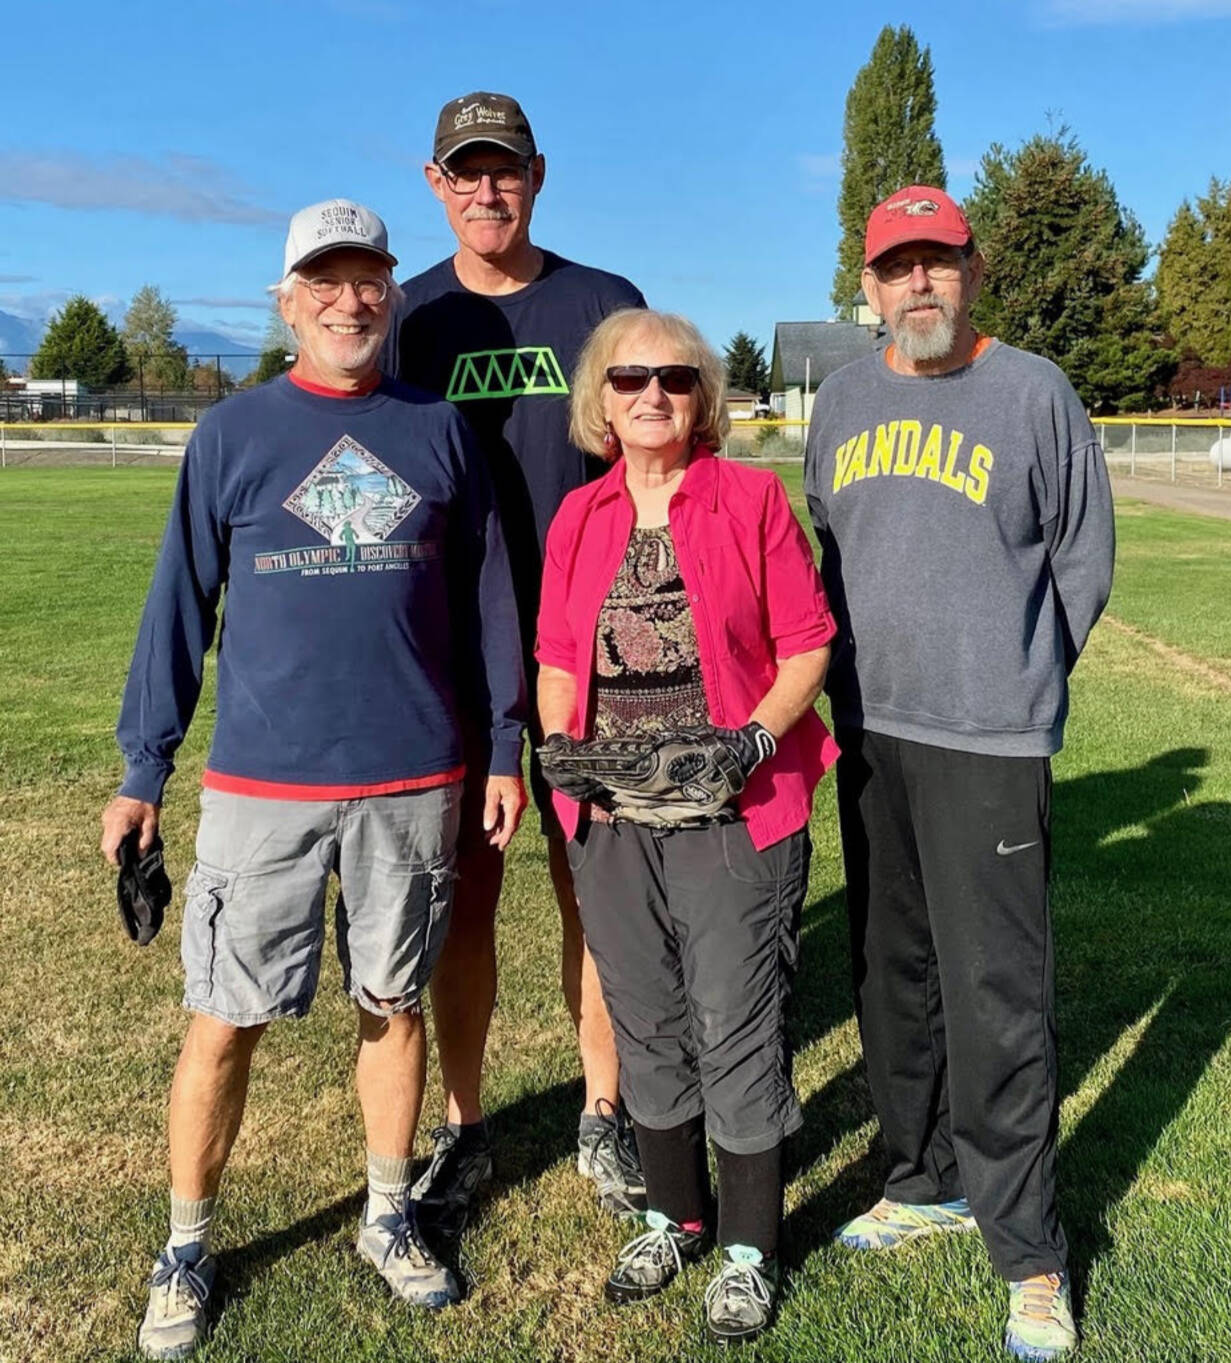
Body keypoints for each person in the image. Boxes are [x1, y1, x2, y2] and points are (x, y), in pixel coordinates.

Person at [99, 199, 526, 1359]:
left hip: (414, 776)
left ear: (391, 292)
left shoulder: (437, 429)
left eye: (367, 278)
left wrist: (503, 741)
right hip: (264, 786)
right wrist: (146, 767)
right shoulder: (235, 437)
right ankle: (187, 1242)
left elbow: (488, 597)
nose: (350, 299)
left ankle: (389, 1214)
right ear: (286, 301)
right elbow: (178, 607)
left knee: (390, 1005)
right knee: (224, 1020)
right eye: (324, 281)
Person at [804, 185, 1115, 1361]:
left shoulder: (1031, 391)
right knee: (892, 971)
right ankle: (920, 1174)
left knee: (998, 991)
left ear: (972, 272)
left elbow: (1080, 558)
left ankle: (1027, 1248)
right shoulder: (840, 397)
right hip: (872, 729)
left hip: (988, 736)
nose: (918, 283)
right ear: (870, 285)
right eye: (898, 267)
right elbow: (826, 551)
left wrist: (1022, 673)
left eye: (938, 261)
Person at [535, 309, 837, 1343]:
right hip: (613, 818)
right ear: (601, 399)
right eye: (628, 379)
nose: (650, 395)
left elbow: (806, 646)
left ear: (699, 393)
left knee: (734, 1018)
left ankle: (749, 1245)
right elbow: (559, 660)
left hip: (732, 816)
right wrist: (560, 752)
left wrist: (750, 743)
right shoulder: (579, 518)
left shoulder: (747, 500)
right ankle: (675, 1213)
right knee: (647, 1017)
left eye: (672, 376)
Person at [393, 91, 648, 1225]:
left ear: (537, 176)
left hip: (593, 650)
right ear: (434, 184)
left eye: (504, 170)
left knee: (596, 885)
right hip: (450, 656)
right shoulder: (404, 318)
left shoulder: (602, 305)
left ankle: (606, 1110)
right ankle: (463, 1123)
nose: (485, 189)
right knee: (465, 896)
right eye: (465, 172)